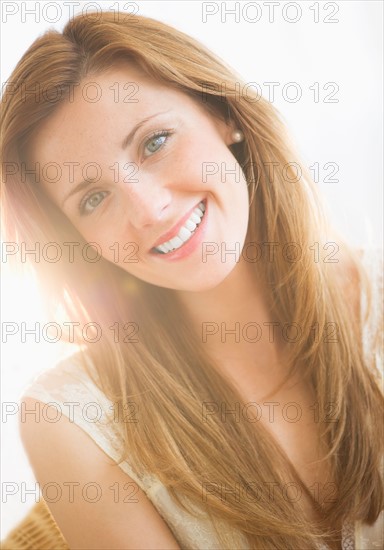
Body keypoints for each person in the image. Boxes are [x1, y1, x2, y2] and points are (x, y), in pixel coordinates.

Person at [1, 10, 383, 550]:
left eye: (154, 142)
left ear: (223, 113)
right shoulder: (72, 421)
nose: (150, 209)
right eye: (93, 198)